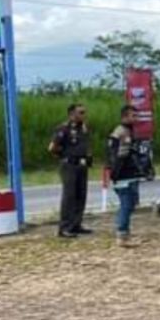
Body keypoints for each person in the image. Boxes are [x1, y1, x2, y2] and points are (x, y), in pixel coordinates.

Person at [49, 102, 92, 239]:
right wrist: (65, 155)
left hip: (82, 165)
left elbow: (85, 145)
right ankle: (65, 227)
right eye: (81, 112)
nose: (84, 115)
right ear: (72, 114)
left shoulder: (83, 128)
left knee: (81, 195)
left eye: (84, 112)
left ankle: (76, 224)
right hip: (69, 165)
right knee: (69, 196)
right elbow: (52, 148)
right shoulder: (64, 129)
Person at [107, 104, 143, 248]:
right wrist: (115, 174)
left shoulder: (129, 131)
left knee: (131, 203)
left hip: (130, 173)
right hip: (123, 175)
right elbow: (116, 156)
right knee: (126, 205)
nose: (136, 118)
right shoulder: (121, 132)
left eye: (136, 115)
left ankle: (125, 233)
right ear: (124, 117)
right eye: (133, 116)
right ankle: (122, 235)